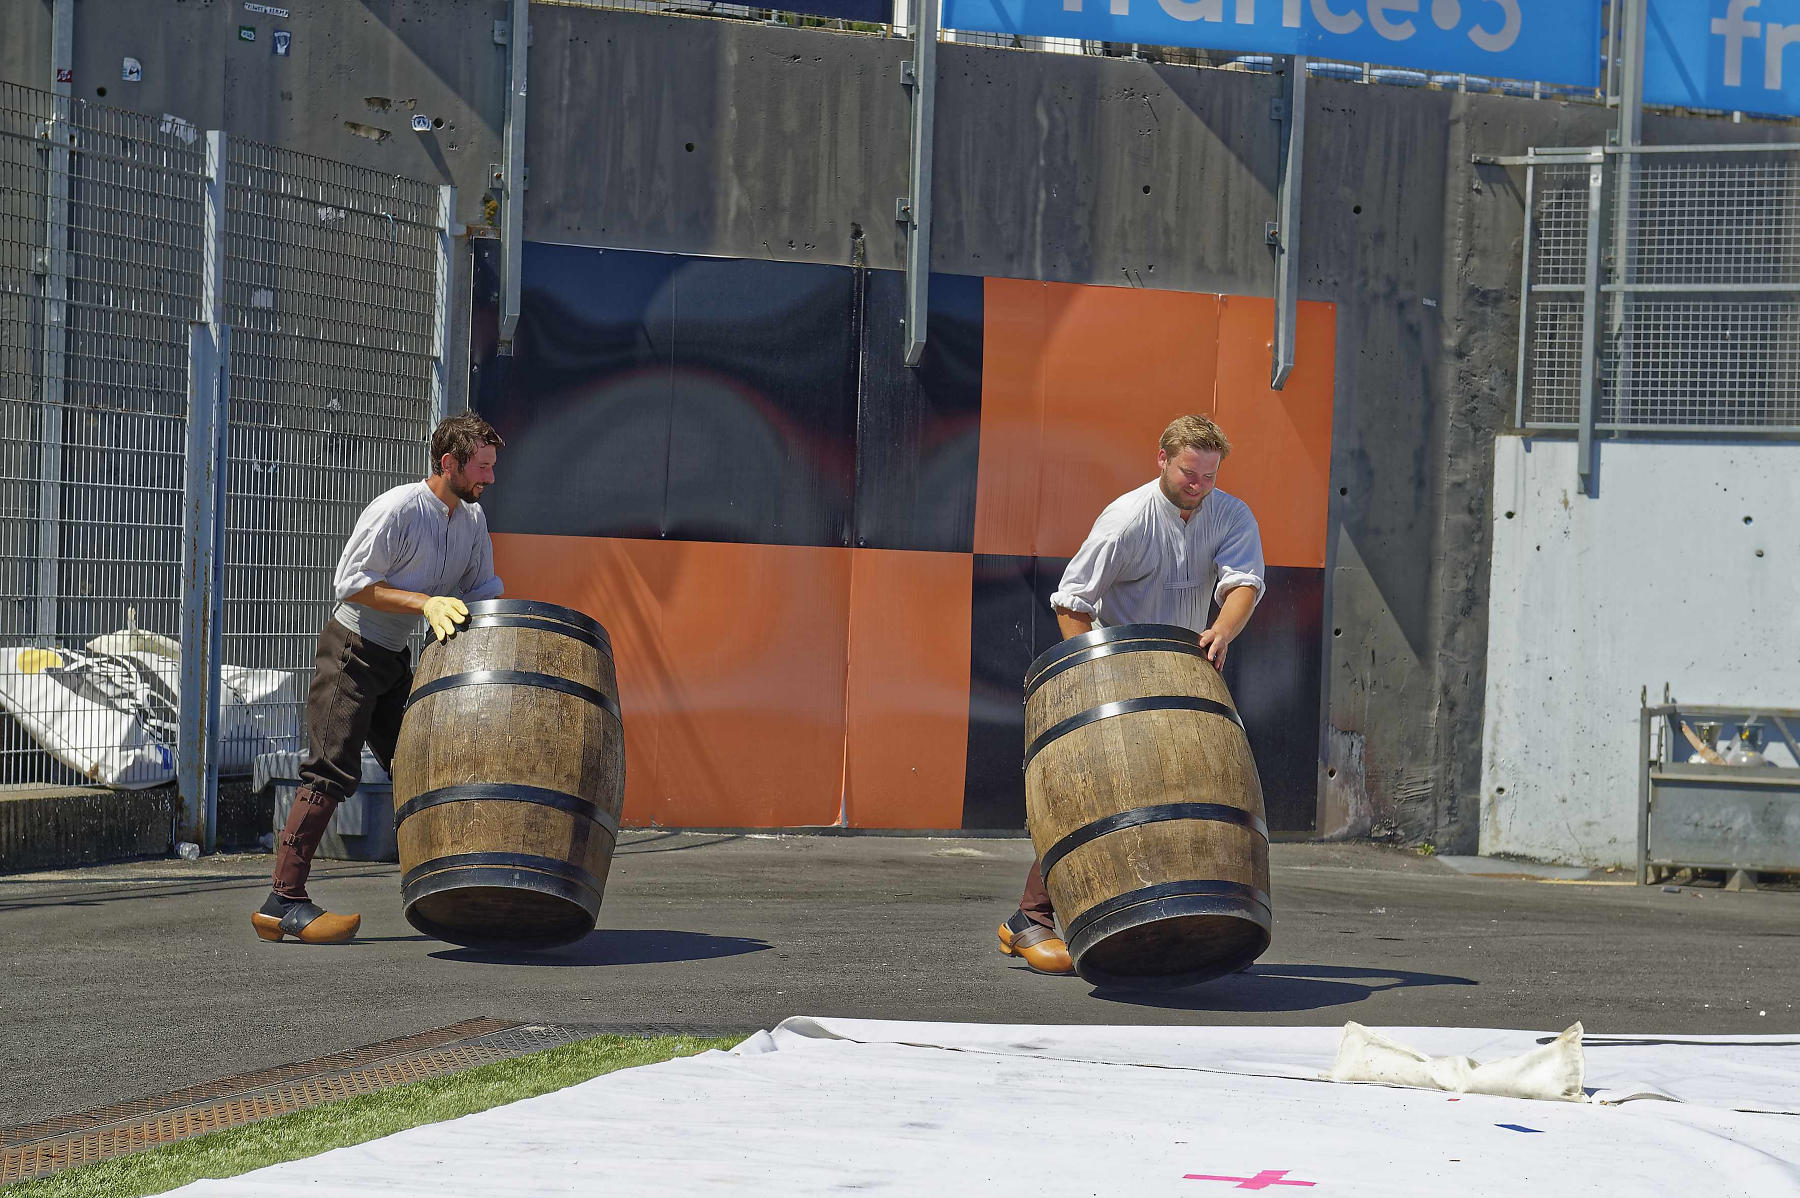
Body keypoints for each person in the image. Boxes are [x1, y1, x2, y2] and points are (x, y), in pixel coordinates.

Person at [996, 414, 1266, 975]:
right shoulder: (1126, 519)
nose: (1200, 485)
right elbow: (1072, 599)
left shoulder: (1231, 513)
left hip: (1188, 672)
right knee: (1100, 803)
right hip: (1121, 677)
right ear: (1162, 460)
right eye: (1190, 473)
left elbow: (1243, 582)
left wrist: (1223, 630)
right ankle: (1030, 919)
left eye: (1210, 476)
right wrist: (1095, 676)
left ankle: (1174, 917)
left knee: (1181, 799)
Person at [251, 413, 505, 944]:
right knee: (330, 771)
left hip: (393, 660)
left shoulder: (472, 520)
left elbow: (484, 589)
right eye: (481, 466)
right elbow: (351, 583)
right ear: (448, 463)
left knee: (420, 765)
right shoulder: (398, 509)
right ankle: (283, 899)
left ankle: (454, 889)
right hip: (351, 652)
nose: (490, 477)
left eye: (492, 466)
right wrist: (426, 602)